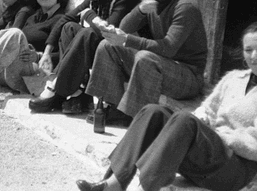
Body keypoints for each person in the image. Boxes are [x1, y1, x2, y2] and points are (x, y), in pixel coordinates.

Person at [76, 23, 257, 191]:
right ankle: (114, 183)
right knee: (153, 111)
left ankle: (145, 188)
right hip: (208, 158)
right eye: (248, 50)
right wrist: (202, 119)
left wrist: (221, 137)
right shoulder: (233, 78)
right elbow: (207, 110)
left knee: (185, 119)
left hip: (236, 169)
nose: (254, 56)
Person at [84, 0, 207, 126]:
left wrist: (127, 40)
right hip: (162, 65)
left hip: (187, 76)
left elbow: (168, 48)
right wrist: (140, 10)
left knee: (145, 57)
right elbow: (123, 28)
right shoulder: (152, 2)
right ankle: (109, 106)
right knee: (107, 45)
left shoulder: (185, 6)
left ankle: (137, 117)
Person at [29, 0, 140, 114]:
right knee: (69, 28)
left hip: (126, 55)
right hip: (101, 52)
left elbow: (108, 32)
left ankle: (56, 86)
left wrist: (89, 15)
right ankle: (77, 92)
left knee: (87, 33)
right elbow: (65, 19)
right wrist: (47, 52)